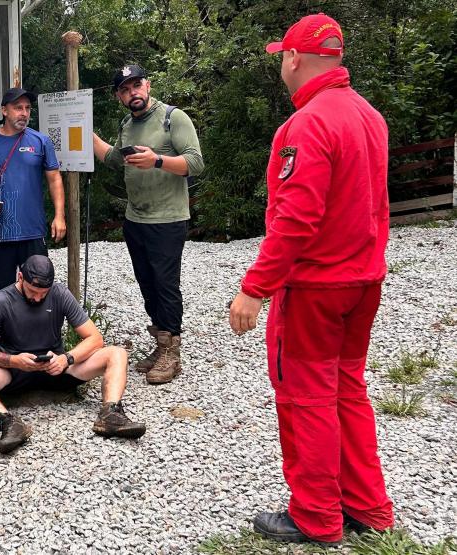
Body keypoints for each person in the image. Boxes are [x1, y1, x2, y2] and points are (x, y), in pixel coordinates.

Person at [229, 14, 394, 545]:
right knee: (348, 389)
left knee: (307, 398)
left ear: (295, 58)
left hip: (317, 288)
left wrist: (255, 287)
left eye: (283, 55)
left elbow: (297, 219)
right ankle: (368, 507)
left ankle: (317, 516)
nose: (282, 63)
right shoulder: (370, 116)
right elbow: (376, 206)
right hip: (363, 280)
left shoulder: (307, 124)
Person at [0, 255, 146, 454]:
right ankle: (8, 422)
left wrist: (66, 358)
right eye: (33, 291)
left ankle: (110, 416)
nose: (38, 298)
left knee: (117, 353)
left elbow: (95, 338)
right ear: (20, 277)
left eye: (43, 293)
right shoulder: (1, 300)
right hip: (13, 372)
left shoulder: (60, 293)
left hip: (57, 367)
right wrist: (12, 361)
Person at [92, 65, 204, 385]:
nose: (133, 93)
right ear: (119, 97)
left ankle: (173, 353)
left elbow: (195, 163)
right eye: (125, 90)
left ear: (147, 85)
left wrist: (157, 160)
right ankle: (161, 343)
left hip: (167, 219)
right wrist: (85, 133)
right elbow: (115, 159)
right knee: (147, 283)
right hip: (135, 218)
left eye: (136, 85)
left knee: (165, 284)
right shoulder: (128, 124)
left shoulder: (173, 117)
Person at [0, 87, 66, 293]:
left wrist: (59, 216)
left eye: (27, 108)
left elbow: (55, 178)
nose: (24, 113)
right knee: (1, 295)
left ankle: (34, 327)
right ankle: (5, 327)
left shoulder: (41, 141)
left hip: (33, 231)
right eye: (18, 107)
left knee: (38, 289)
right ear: (4, 110)